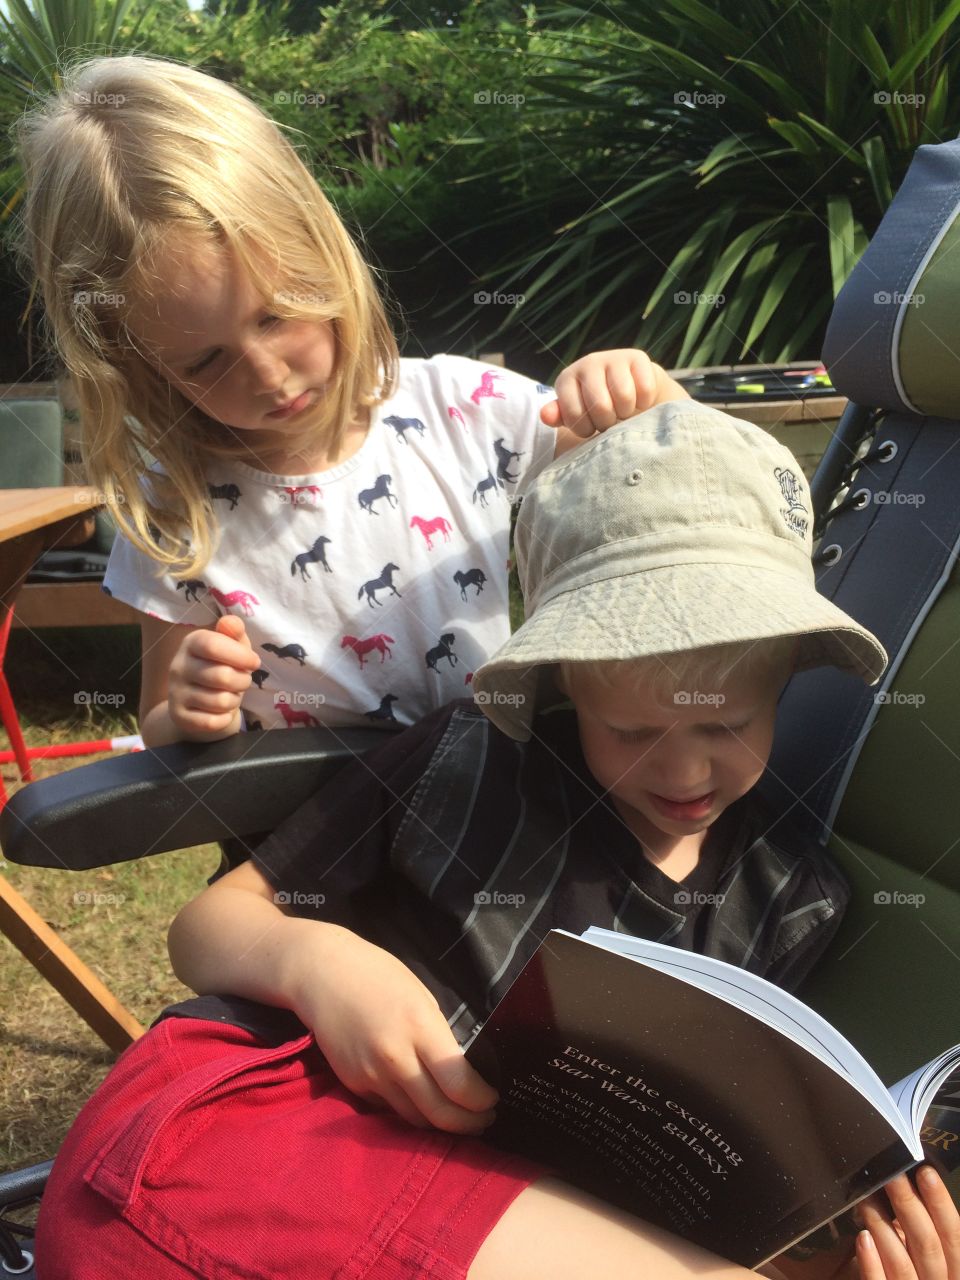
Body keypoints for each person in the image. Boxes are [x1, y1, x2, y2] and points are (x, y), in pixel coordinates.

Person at [38, 404, 955, 1280]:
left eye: (727, 727)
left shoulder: (792, 897)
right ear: (564, 685)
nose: (682, 774)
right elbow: (205, 929)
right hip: (295, 1123)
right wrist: (319, 965)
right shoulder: (464, 762)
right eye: (632, 733)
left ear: (789, 679)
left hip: (536, 1212)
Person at [13, 52, 686, 749]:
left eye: (277, 314)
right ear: (140, 366)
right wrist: (186, 708)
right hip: (295, 821)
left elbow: (667, 456)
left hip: (478, 796)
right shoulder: (173, 511)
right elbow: (156, 720)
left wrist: (643, 390)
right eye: (206, 360)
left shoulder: (465, 409)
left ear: (321, 249)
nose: (269, 376)